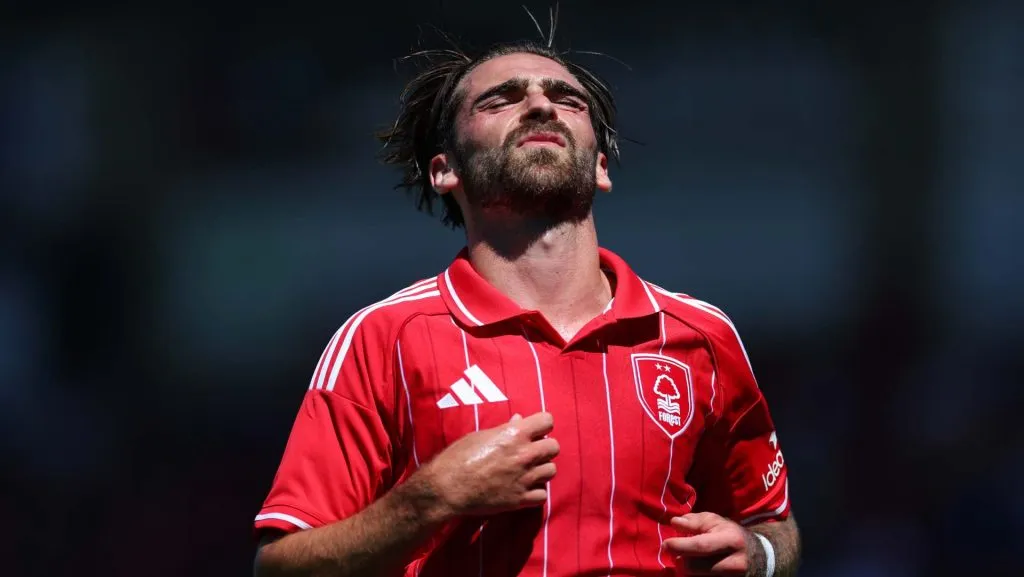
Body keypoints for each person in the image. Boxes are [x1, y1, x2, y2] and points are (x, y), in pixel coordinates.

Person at [252, 30, 800, 577]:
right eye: (501, 99)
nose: (540, 104)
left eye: (567, 100)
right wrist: (428, 500)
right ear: (446, 170)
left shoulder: (701, 335)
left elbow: (772, 522)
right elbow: (277, 569)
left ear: (602, 167)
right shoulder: (382, 338)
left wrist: (762, 556)